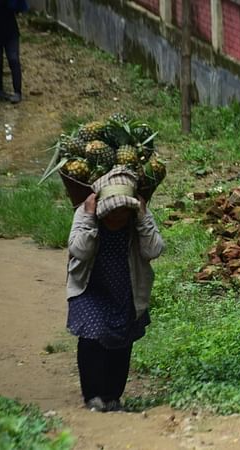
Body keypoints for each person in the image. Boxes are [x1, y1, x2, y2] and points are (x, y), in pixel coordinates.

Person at [66, 166, 164, 412]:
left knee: (122, 340)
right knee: (91, 338)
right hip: (90, 286)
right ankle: (92, 396)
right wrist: (89, 218)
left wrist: (142, 218)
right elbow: (79, 250)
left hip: (125, 288)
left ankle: (112, 396)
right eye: (112, 212)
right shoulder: (84, 213)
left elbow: (154, 250)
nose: (116, 217)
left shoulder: (137, 217)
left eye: (122, 212)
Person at [0, 0, 28, 104]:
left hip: (10, 31)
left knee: (13, 59)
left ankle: (17, 92)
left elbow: (20, 7)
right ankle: (0, 91)